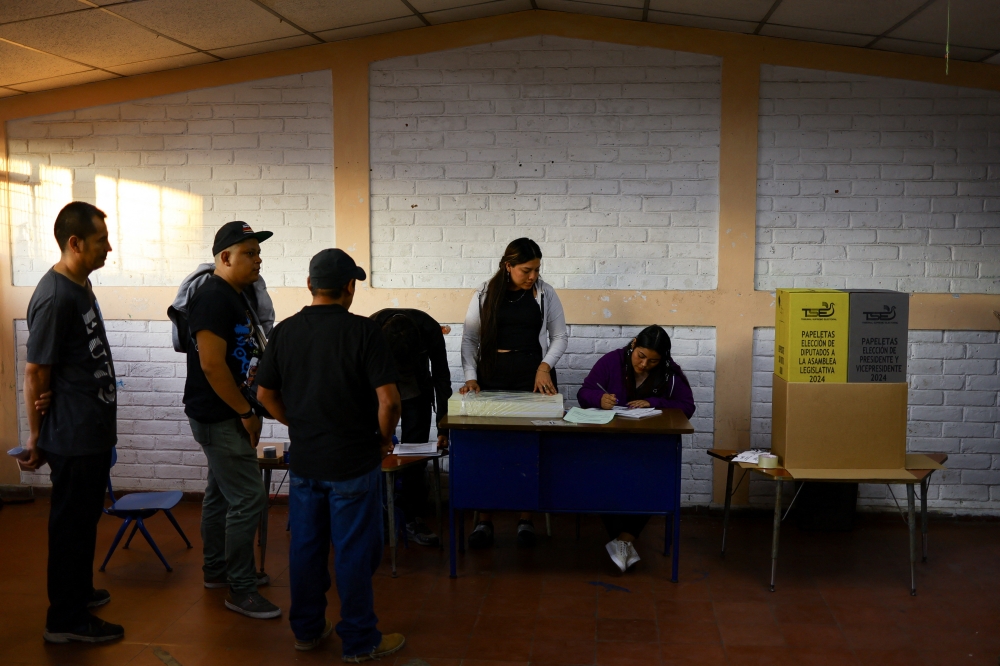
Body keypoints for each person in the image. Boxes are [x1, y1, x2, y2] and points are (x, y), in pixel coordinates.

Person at [256, 248, 406, 662]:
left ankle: (306, 630)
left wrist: (298, 424)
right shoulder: (364, 332)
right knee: (354, 553)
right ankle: (359, 641)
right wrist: (382, 438)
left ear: (309, 285)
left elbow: (265, 394)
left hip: (306, 462)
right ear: (349, 287)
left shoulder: (285, 332)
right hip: (353, 464)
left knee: (305, 549)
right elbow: (389, 401)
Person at [21, 201, 124, 643]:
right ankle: (65, 621)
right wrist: (36, 436)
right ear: (75, 243)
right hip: (73, 435)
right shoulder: (54, 295)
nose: (109, 248)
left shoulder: (79, 284)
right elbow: (35, 371)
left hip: (91, 431)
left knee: (83, 525)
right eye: (101, 241)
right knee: (70, 529)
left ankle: (78, 593)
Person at [182, 221, 280, 619]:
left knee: (223, 493)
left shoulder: (236, 296)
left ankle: (216, 570)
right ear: (225, 257)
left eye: (258, 253)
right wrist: (243, 412)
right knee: (248, 497)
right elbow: (210, 364)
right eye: (249, 254)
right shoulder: (212, 298)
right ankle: (240, 588)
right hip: (219, 415)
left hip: (228, 412)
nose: (258, 260)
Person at [459, 237, 568, 548]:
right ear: (508, 266)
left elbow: (559, 336)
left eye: (536, 269)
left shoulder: (545, 293)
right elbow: (469, 341)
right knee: (488, 448)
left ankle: (526, 519)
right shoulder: (484, 293)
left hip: (535, 376)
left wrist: (544, 367)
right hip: (491, 375)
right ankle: (484, 521)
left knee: (531, 446)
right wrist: (471, 377)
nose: (533, 276)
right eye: (526, 270)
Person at [577, 325, 696, 573]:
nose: (644, 365)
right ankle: (622, 541)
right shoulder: (612, 361)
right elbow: (584, 392)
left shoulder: (669, 374)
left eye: (653, 361)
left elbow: (687, 406)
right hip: (609, 442)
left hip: (649, 444)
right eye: (640, 356)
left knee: (654, 481)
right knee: (600, 480)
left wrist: (654, 402)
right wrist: (598, 399)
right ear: (633, 344)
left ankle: (624, 540)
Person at [370, 309, 452, 547]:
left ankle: (411, 517)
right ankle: (380, 516)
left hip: (417, 386)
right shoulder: (370, 328)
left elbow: (441, 379)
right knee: (375, 450)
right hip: (380, 386)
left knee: (415, 453)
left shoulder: (429, 329)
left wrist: (443, 428)